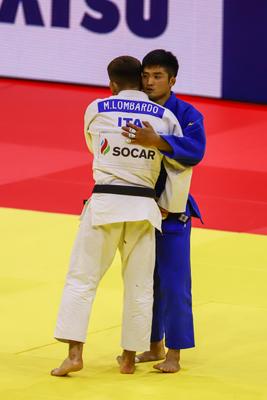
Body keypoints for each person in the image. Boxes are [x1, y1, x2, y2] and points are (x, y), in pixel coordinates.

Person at [51, 55, 192, 376]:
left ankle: (74, 355)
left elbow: (93, 146)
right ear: (141, 81)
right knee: (140, 285)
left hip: (105, 203)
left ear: (112, 83)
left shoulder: (96, 108)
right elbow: (179, 166)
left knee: (82, 279)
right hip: (145, 209)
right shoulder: (167, 117)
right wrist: (169, 200)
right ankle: (129, 358)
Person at [121, 50, 206, 373]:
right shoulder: (133, 109)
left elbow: (196, 152)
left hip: (173, 211)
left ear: (172, 80)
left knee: (173, 283)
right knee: (143, 281)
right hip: (138, 207)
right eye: (146, 75)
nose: (150, 82)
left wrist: (157, 140)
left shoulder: (187, 114)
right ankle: (153, 344)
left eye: (158, 76)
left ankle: (175, 351)